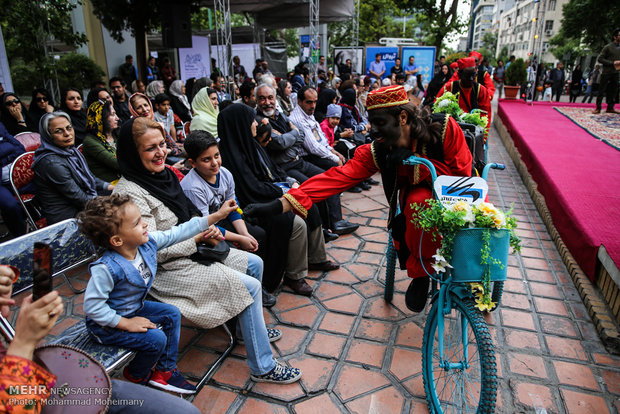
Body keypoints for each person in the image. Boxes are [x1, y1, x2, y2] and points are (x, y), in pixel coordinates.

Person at [245, 85, 473, 313]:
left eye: (380, 123)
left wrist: (420, 166)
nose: (373, 131)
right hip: (416, 204)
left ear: (402, 117)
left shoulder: (443, 129)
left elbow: (463, 177)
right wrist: (277, 205)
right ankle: (422, 273)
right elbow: (336, 178)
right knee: (417, 202)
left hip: (456, 198)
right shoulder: (380, 150)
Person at [113, 116, 302, 383]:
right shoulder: (129, 194)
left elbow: (190, 215)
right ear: (133, 154)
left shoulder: (163, 175)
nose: (160, 153)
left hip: (192, 252)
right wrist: (199, 237)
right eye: (150, 148)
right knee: (248, 286)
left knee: (254, 263)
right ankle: (263, 366)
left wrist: (207, 232)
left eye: (161, 145)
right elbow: (149, 251)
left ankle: (242, 330)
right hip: (164, 270)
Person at [0, 265, 202, 414]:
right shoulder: (107, 267)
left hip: (53, 383)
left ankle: (159, 372)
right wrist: (24, 341)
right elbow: (17, 405)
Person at [81, 194, 230, 393]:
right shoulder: (106, 268)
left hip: (133, 308)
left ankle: (165, 371)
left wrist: (216, 216)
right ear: (117, 240)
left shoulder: (146, 243)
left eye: (142, 219)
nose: (145, 225)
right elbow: (92, 307)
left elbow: (178, 232)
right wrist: (126, 323)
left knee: (172, 313)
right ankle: (136, 374)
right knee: (156, 339)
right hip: (105, 326)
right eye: (136, 223)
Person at [218, 104, 340, 296]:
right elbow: (251, 189)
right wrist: (282, 190)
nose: (255, 125)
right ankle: (295, 275)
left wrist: (288, 183)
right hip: (254, 206)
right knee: (294, 222)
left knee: (309, 204)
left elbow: (273, 171)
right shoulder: (229, 156)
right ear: (240, 124)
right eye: (251, 121)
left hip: (270, 194)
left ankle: (316, 257)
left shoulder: (251, 145)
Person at [180, 131, 275, 307]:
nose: (215, 163)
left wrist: (245, 234)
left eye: (216, 155)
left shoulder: (224, 174)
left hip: (220, 221)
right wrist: (239, 239)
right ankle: (244, 295)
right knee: (232, 252)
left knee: (257, 235)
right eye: (206, 159)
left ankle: (260, 284)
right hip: (204, 231)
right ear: (192, 163)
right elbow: (204, 227)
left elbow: (232, 207)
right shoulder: (192, 188)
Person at [256, 84, 358, 237]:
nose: (267, 102)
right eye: (262, 98)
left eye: (270, 97)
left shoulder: (279, 114)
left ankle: (332, 224)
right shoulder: (259, 120)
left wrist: (292, 135)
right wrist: (294, 134)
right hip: (284, 167)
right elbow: (278, 143)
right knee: (314, 188)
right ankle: (324, 229)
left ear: (275, 98)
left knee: (328, 178)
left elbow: (300, 135)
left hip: (297, 161)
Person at [33, 112, 113, 224]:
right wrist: (112, 201)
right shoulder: (51, 163)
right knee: (122, 213)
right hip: (68, 217)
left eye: (69, 128)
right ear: (48, 135)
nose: (67, 134)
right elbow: (79, 199)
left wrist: (110, 187)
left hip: (83, 203)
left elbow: (90, 177)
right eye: (58, 131)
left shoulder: (71, 151)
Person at [290, 86, 346, 169]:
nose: (313, 106)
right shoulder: (298, 119)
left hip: (317, 153)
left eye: (315, 102)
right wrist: (334, 157)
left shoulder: (308, 113)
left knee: (346, 161)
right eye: (309, 102)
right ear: (299, 101)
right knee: (336, 166)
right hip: (307, 158)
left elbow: (320, 138)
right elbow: (313, 147)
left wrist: (332, 151)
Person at [435, 57, 492, 140]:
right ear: (460, 75)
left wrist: (482, 138)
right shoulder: (449, 87)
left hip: (473, 133)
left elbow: (486, 114)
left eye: (473, 75)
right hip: (452, 131)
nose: (471, 79)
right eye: (468, 76)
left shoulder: (481, 90)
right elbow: (436, 107)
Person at [0, 122, 29, 236]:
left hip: (18, 175)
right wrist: (9, 156)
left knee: (45, 188)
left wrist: (5, 158)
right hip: (1, 184)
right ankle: (20, 237)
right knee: (10, 206)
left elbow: (19, 148)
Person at [83, 100, 121, 183]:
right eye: (112, 115)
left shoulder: (116, 135)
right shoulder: (90, 141)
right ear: (99, 118)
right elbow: (117, 164)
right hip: (108, 187)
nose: (117, 118)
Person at [594, 28, 620, 114]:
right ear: (615, 37)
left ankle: (610, 107)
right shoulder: (608, 47)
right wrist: (612, 63)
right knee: (601, 90)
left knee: (613, 91)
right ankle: (598, 107)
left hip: (616, 73)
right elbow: (600, 59)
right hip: (606, 72)